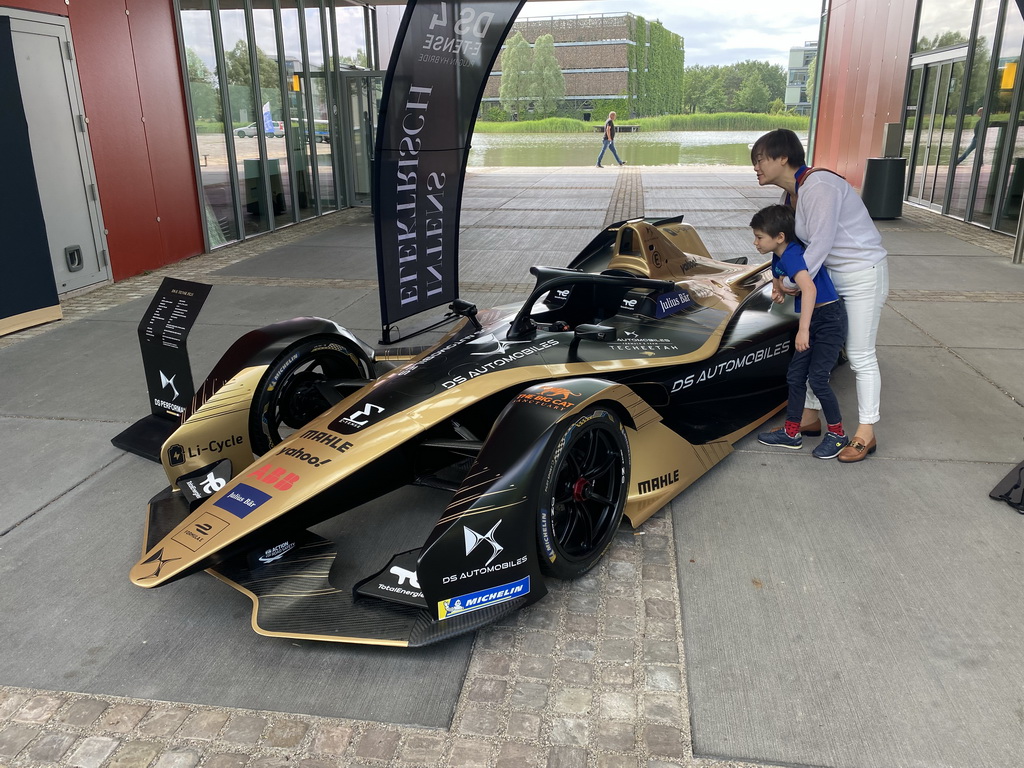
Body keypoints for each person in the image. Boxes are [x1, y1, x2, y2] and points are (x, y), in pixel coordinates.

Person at [751, 128, 888, 463]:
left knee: (859, 354)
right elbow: (791, 247)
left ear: (783, 157)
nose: (755, 167)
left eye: (760, 159)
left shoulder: (819, 185)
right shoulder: (792, 194)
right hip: (826, 278)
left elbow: (821, 243)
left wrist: (793, 284)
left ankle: (865, 432)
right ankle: (809, 418)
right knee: (811, 348)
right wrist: (779, 279)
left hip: (860, 274)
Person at [751, 205, 850, 459]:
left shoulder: (794, 254)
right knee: (796, 375)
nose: (755, 242)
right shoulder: (780, 254)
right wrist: (778, 289)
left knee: (817, 379)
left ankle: (838, 434)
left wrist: (803, 330)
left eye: (760, 237)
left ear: (780, 237)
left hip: (828, 319)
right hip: (814, 318)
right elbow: (778, 275)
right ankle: (791, 432)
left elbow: (810, 289)